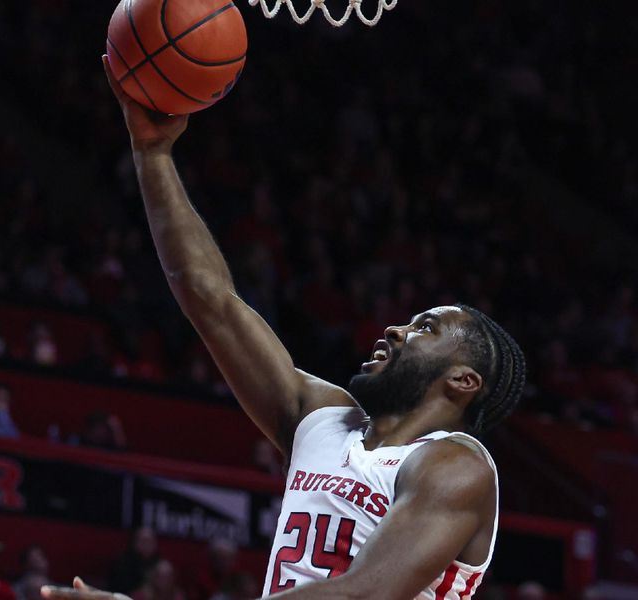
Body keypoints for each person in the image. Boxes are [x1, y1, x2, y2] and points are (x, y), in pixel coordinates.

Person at [42, 56, 526, 600]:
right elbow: (211, 302)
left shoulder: (456, 463)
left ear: (463, 380)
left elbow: (360, 595)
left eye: (425, 328)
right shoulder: (322, 422)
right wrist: (152, 153)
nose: (395, 330)